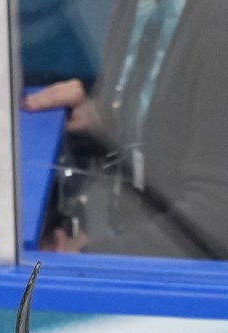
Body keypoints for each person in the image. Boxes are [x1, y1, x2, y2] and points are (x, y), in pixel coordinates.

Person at [24, 0, 228, 259]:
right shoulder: (136, 6)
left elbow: (217, 214)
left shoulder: (220, 22)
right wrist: (104, 119)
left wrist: (89, 260)